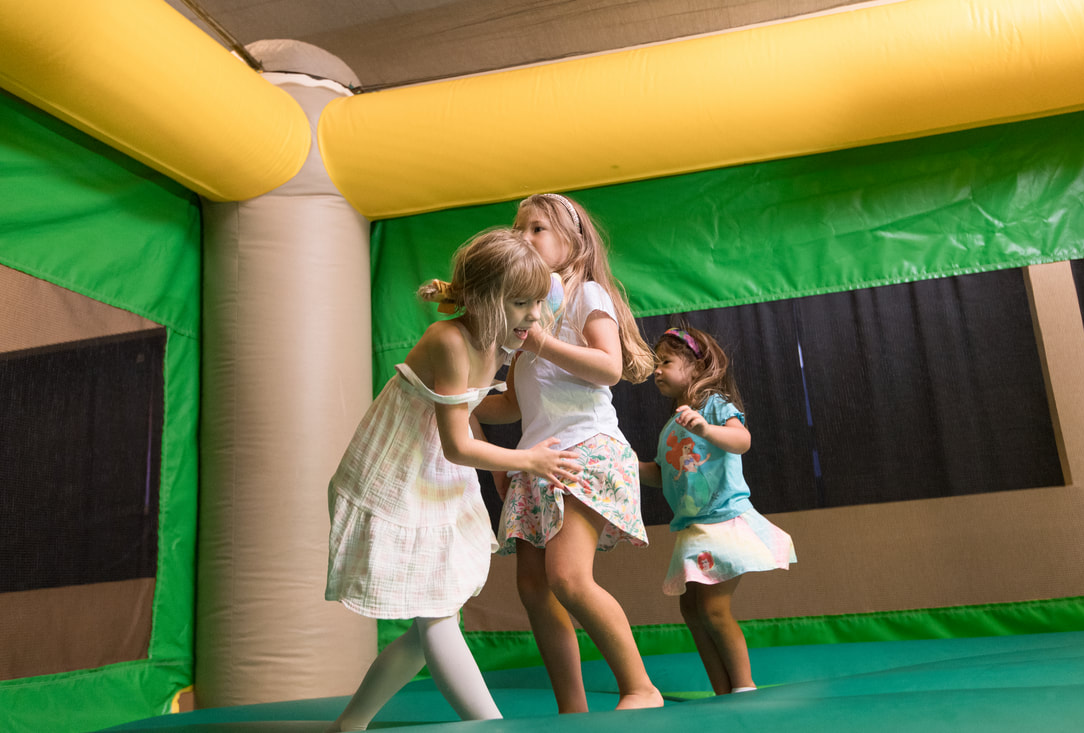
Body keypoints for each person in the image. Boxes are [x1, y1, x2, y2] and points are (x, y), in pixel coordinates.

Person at [324, 228, 587, 732]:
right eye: (522, 305)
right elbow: (456, 443)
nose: (535, 316)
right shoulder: (448, 339)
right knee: (437, 616)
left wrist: (510, 464)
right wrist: (524, 462)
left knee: (435, 621)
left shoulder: (503, 338)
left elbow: (481, 410)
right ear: (487, 302)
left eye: (538, 303)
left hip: (436, 474)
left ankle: (349, 725)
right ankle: (490, 726)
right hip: (399, 471)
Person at [476, 193, 663, 712]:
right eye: (519, 229)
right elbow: (513, 403)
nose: (524, 238)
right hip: (540, 457)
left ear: (572, 241)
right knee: (534, 588)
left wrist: (536, 341)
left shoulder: (587, 295)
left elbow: (607, 365)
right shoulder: (525, 319)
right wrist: (458, 397)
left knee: (568, 577)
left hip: (587, 446)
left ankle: (640, 687)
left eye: (537, 228)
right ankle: (572, 709)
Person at [637, 326, 796, 696]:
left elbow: (742, 441)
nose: (656, 370)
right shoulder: (670, 428)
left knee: (712, 609)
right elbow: (662, 475)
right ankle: (722, 690)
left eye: (666, 361)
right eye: (655, 363)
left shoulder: (714, 406)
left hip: (724, 522)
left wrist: (707, 429)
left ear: (695, 367)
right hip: (695, 529)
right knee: (691, 612)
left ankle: (744, 686)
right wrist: (628, 464)